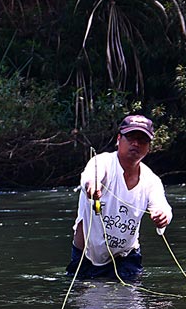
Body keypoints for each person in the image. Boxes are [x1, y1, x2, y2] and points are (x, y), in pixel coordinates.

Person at [66, 114, 172, 280]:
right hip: (85, 258)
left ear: (149, 147)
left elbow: (162, 206)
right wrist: (92, 186)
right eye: (130, 137)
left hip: (126, 259)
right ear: (118, 139)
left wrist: (163, 216)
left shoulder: (152, 181)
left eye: (142, 139)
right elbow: (90, 177)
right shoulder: (103, 162)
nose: (136, 143)